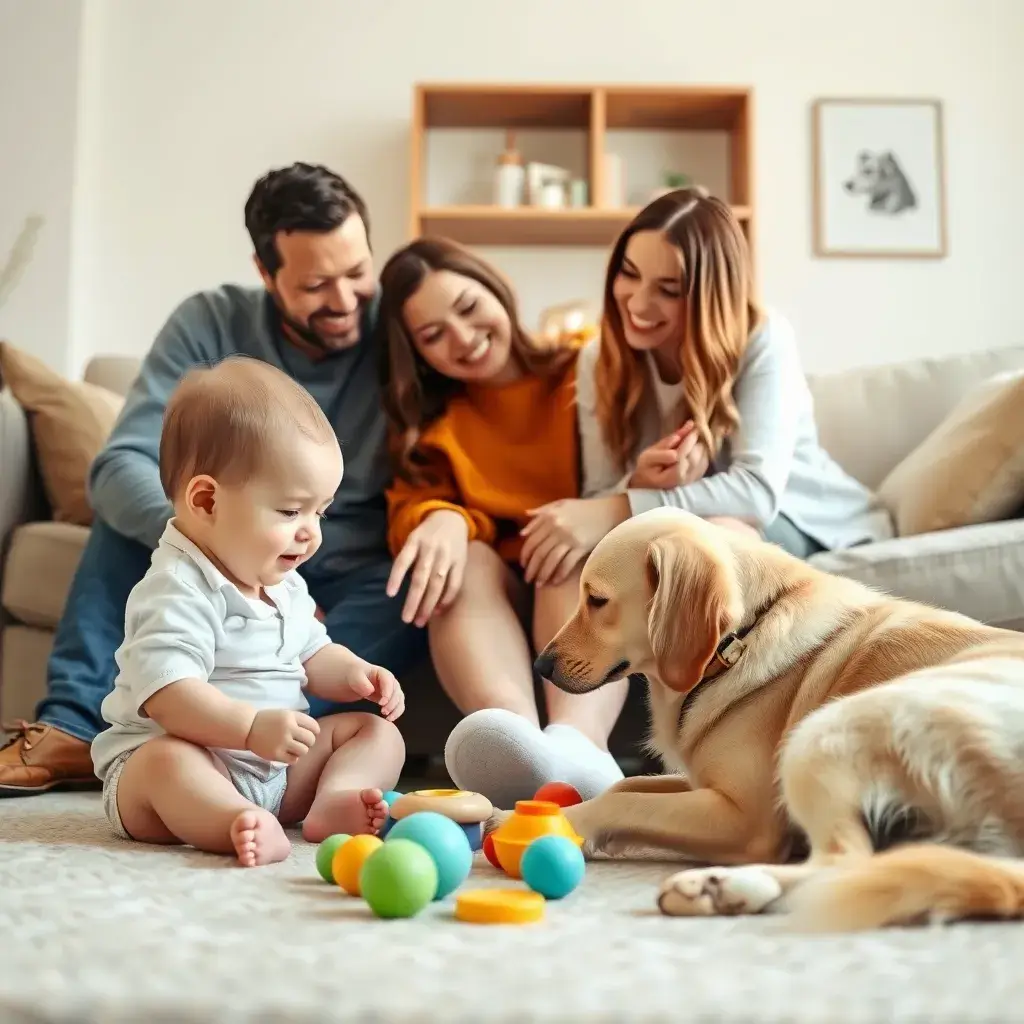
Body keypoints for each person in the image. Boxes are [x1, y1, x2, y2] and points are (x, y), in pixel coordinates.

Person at [448, 188, 895, 797]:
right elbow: (607, 489)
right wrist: (633, 490)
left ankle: (719, 765)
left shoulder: (762, 339)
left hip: (799, 518)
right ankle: (575, 748)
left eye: (669, 287)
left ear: (708, 294)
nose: (638, 300)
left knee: (712, 546)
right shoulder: (601, 356)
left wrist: (615, 507)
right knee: (569, 550)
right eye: (629, 275)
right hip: (682, 513)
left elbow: (757, 491)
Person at [0, 162, 426, 796]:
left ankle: (280, 751)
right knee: (130, 517)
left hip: (353, 560)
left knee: (424, 578)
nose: (343, 301)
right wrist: (216, 549)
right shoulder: (213, 322)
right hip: (222, 539)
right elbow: (121, 467)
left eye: (358, 272)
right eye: (315, 283)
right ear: (265, 272)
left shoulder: (404, 322)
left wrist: (443, 517)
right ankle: (74, 730)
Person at [94, 358, 405, 865]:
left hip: (275, 772)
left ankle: (334, 800)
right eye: (290, 511)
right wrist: (248, 728)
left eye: (319, 512)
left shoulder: (282, 584)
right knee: (163, 761)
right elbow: (169, 696)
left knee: (375, 733)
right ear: (206, 501)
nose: (311, 532)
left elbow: (312, 652)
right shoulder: (176, 587)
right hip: (187, 771)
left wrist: (356, 674)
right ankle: (229, 819)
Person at [377, 238, 627, 807]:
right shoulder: (433, 422)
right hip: (491, 594)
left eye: (467, 308)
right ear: (415, 353)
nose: (462, 339)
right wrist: (442, 517)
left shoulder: (583, 367)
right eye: (433, 335)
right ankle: (515, 745)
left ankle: (579, 746)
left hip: (575, 573)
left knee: (562, 549)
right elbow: (408, 510)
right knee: (458, 559)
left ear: (497, 289)